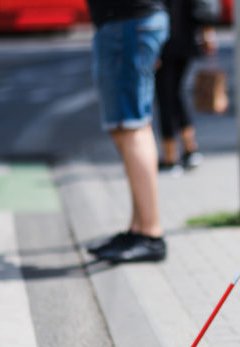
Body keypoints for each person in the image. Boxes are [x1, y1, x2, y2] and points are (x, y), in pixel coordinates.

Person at [84, 0, 169, 263]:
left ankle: (150, 233)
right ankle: (138, 228)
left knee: (132, 126)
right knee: (125, 127)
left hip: (128, 23)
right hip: (126, 22)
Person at [155, 0, 209, 176]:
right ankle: (189, 149)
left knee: (166, 96)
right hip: (185, 39)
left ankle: (170, 157)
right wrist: (207, 31)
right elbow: (199, 7)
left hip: (162, 43)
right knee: (175, 94)